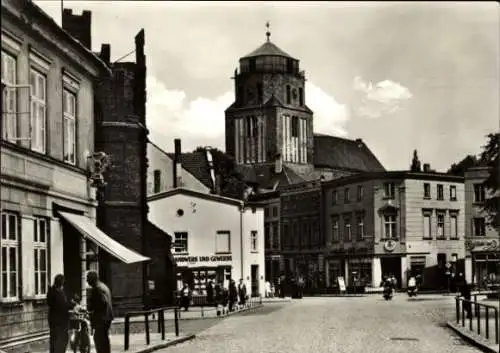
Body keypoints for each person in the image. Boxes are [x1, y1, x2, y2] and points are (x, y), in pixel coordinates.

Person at [87, 271, 113, 353]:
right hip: (107, 317)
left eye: (88, 279)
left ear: (92, 279)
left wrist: (91, 308)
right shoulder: (103, 286)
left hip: (101, 318)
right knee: (104, 339)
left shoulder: (97, 288)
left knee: (99, 340)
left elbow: (102, 302)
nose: (87, 282)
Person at [47, 274, 70, 353]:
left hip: (55, 322)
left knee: (55, 342)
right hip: (59, 323)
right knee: (60, 343)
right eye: (62, 283)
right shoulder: (56, 293)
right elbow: (62, 305)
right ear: (61, 283)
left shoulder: (54, 291)